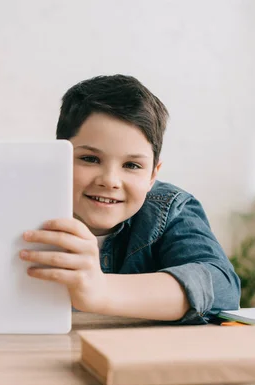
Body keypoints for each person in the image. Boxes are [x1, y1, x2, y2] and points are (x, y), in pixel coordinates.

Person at [21, 74, 240, 324]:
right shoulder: (19, 205)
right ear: (58, 157)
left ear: (152, 175)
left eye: (132, 165)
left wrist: (101, 289)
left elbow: (221, 286)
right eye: (90, 159)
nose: (110, 180)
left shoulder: (170, 209)